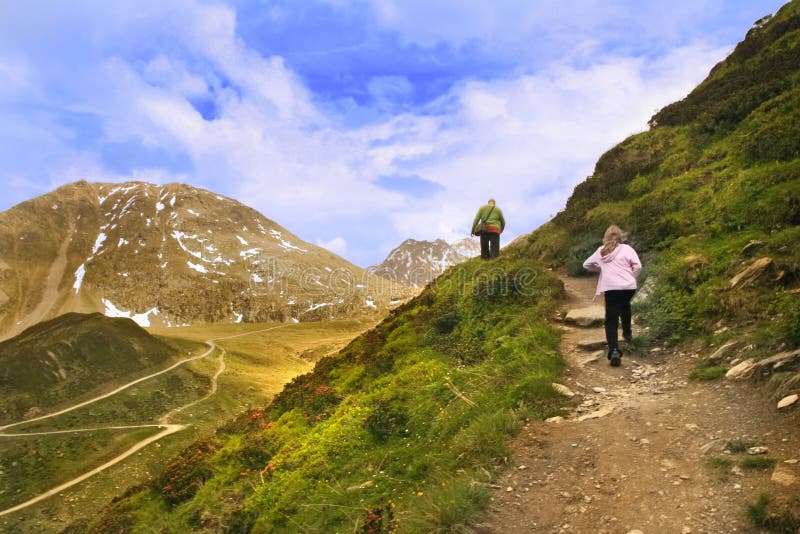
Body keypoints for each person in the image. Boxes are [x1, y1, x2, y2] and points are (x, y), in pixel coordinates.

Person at [583, 225, 642, 367]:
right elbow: (638, 266)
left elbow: (586, 265)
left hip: (611, 288)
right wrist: (630, 277)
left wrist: (601, 268)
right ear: (620, 237)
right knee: (625, 306)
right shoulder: (627, 249)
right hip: (628, 287)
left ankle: (614, 350)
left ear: (605, 238)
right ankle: (627, 334)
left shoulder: (600, 252)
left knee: (611, 319)